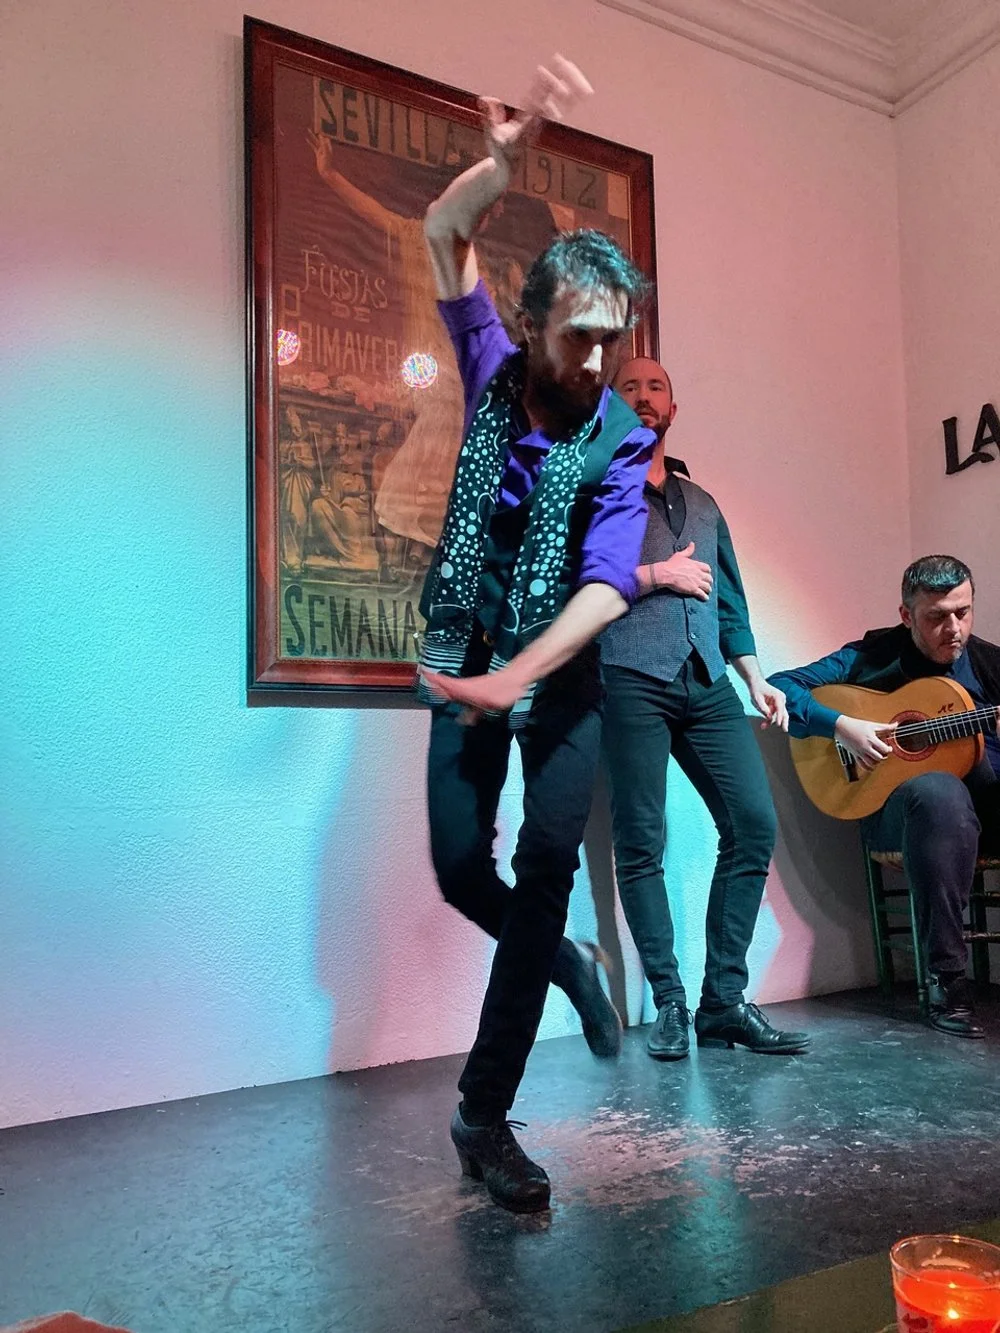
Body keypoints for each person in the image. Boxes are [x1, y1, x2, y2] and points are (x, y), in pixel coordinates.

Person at [417, 57, 656, 1214]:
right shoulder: (491, 369)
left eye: (616, 339)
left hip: (561, 681)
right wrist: (502, 170)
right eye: (581, 338)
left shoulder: (619, 438)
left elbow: (609, 587)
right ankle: (560, 961)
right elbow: (440, 231)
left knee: (548, 870)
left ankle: (483, 1115)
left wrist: (519, 677)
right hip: (465, 650)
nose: (600, 363)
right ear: (532, 323)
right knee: (465, 868)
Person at [600, 357, 811, 1061]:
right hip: (628, 674)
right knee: (641, 844)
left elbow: (730, 602)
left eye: (654, 386)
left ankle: (722, 1001)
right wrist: (657, 574)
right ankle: (669, 1003)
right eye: (628, 387)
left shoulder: (704, 501)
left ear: (672, 406)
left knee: (752, 824)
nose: (643, 395)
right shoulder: (592, 491)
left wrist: (754, 677)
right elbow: (573, 586)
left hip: (705, 680)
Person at [769, 554, 1000, 1039]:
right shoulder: (872, 656)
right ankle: (947, 981)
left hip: (989, 808)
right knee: (937, 790)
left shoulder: (989, 664)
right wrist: (842, 725)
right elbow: (780, 687)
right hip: (901, 812)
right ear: (906, 615)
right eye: (937, 617)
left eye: (963, 612)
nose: (953, 629)